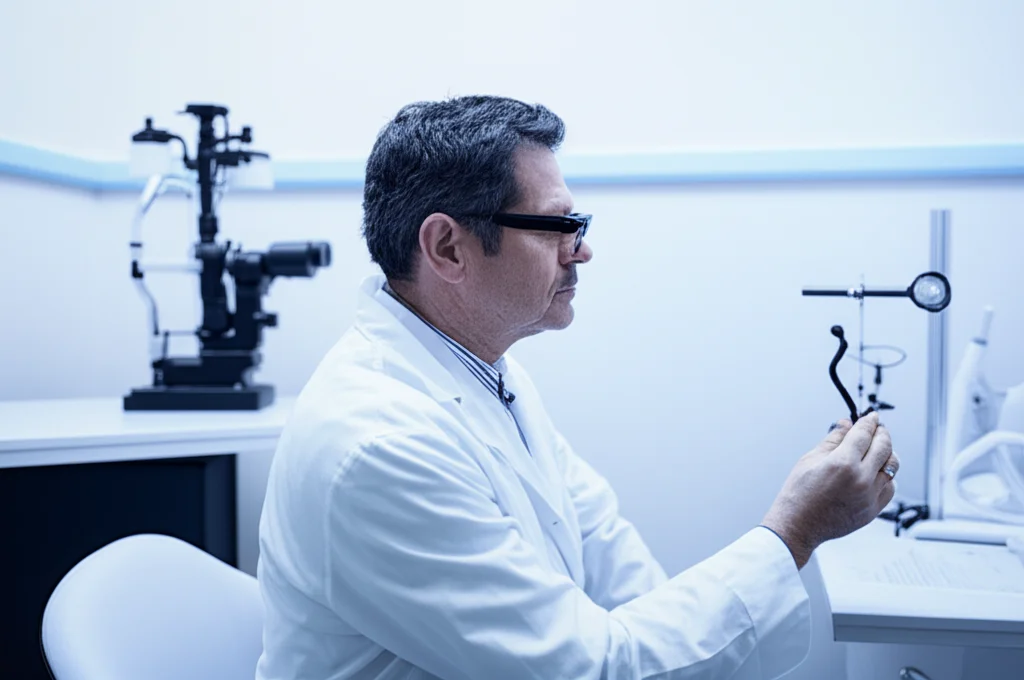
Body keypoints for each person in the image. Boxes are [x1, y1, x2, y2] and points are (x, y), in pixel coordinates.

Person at [255, 95, 899, 680]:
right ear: (448, 247)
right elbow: (589, 672)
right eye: (558, 227)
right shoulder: (377, 446)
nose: (582, 251)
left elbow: (621, 577)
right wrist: (793, 531)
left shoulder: (485, 371)